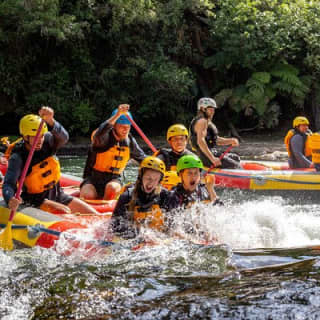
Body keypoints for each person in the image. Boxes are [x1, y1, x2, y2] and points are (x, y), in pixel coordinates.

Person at [3, 107, 98, 215]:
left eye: (41, 136)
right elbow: (9, 184)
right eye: (35, 137)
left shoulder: (48, 142)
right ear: (25, 137)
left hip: (58, 195)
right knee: (64, 211)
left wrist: (51, 121)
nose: (39, 140)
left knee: (93, 214)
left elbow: (64, 138)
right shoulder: (18, 157)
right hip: (36, 200)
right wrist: (10, 199)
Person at [80, 104, 147, 200]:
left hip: (114, 179)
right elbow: (99, 133)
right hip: (93, 178)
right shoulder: (103, 138)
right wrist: (117, 115)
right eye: (122, 126)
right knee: (88, 195)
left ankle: (107, 207)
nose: (125, 130)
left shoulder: (129, 141)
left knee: (111, 188)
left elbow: (143, 159)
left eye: (128, 127)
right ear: (114, 125)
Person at [109, 156, 170, 240]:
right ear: (141, 176)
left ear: (159, 181)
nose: (151, 183)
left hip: (158, 239)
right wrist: (141, 234)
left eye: (155, 179)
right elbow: (114, 227)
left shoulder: (165, 196)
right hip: (135, 240)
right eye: (148, 178)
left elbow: (173, 223)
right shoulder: (127, 197)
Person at [189, 97, 241, 169]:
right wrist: (212, 159)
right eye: (210, 110)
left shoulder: (207, 121)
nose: (212, 112)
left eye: (213, 110)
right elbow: (200, 141)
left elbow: (216, 140)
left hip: (212, 153)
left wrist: (231, 140)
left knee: (236, 158)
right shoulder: (202, 121)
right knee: (235, 166)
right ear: (203, 109)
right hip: (206, 157)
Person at [154, 124, 196, 189]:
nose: (179, 142)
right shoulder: (162, 157)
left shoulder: (193, 158)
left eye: (182, 139)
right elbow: (152, 176)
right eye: (175, 139)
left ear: (186, 140)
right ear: (170, 142)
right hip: (165, 190)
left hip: (185, 190)